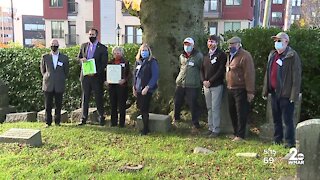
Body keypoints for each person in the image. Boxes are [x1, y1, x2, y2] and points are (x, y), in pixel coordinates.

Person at [262, 32, 301, 148]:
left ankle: (290, 142)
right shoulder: (272, 55)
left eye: (279, 41)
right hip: (274, 92)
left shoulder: (292, 56)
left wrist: (293, 95)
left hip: (286, 94)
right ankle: (277, 139)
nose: (276, 43)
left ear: (286, 42)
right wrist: (265, 90)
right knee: (276, 118)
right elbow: (267, 74)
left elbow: (296, 77)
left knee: (288, 120)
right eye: (275, 41)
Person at [225, 36, 255, 141]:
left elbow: (249, 74)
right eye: (229, 44)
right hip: (230, 88)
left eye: (233, 44)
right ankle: (235, 132)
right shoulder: (229, 55)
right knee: (232, 111)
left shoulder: (245, 56)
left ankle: (241, 135)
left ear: (238, 44)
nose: (231, 46)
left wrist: (250, 91)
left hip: (240, 88)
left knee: (240, 112)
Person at [78, 28, 108, 126]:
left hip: (96, 77)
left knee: (98, 97)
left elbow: (104, 63)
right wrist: (81, 60)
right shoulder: (84, 46)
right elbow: (78, 58)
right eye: (90, 34)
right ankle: (83, 118)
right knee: (85, 97)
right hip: (85, 76)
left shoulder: (102, 48)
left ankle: (101, 117)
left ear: (97, 35)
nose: (91, 36)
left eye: (93, 34)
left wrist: (95, 72)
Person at [174, 37, 203, 133]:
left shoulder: (198, 56)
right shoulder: (182, 56)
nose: (187, 46)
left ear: (193, 45)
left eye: (189, 44)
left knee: (193, 104)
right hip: (180, 83)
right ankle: (176, 118)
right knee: (177, 102)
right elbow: (180, 66)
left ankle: (195, 123)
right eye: (185, 44)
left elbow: (201, 68)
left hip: (192, 84)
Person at [200, 35, 227, 137]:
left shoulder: (221, 55)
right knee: (209, 108)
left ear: (217, 43)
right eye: (209, 41)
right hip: (206, 86)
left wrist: (211, 81)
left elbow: (221, 70)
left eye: (212, 41)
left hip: (216, 85)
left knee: (215, 108)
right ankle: (210, 127)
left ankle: (216, 129)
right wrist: (204, 81)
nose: (210, 43)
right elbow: (201, 69)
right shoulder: (205, 56)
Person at [40, 39, 69, 127]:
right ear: (50, 45)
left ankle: (57, 122)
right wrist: (47, 77)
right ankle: (48, 122)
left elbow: (66, 71)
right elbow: (42, 70)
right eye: (52, 44)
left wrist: (61, 78)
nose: (54, 46)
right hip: (48, 84)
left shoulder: (64, 57)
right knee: (48, 105)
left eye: (55, 44)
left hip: (59, 84)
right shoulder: (45, 57)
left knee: (58, 105)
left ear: (58, 45)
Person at [133, 43, 159, 135]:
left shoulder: (152, 61)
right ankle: (144, 127)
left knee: (144, 109)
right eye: (142, 50)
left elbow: (155, 76)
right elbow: (135, 75)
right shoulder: (138, 61)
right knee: (141, 108)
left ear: (149, 51)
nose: (144, 52)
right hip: (138, 88)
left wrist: (148, 87)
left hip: (147, 89)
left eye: (146, 50)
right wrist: (134, 87)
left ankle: (145, 129)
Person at [105, 46, 130, 127]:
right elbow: (107, 74)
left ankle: (122, 123)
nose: (116, 54)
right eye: (115, 53)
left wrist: (124, 80)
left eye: (118, 53)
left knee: (122, 105)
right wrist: (107, 81)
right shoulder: (110, 62)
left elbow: (129, 74)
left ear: (121, 53)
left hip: (122, 87)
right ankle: (113, 122)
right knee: (113, 105)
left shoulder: (125, 62)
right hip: (112, 87)